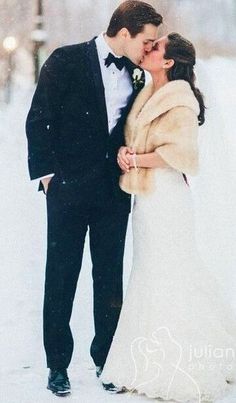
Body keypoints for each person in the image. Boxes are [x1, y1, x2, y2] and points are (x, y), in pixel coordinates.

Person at [25, 0, 162, 397]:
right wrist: (49, 177)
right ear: (124, 33)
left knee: (109, 281)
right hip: (66, 192)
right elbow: (38, 119)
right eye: (146, 41)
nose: (149, 49)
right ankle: (57, 366)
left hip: (112, 194)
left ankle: (106, 359)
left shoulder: (139, 74)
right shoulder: (65, 60)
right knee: (61, 278)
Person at [101, 33, 236, 401]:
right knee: (147, 271)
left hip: (167, 199)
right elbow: (139, 138)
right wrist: (127, 152)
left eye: (156, 47)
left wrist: (135, 159)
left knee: (170, 271)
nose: (148, 49)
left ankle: (177, 363)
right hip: (146, 198)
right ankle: (143, 359)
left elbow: (180, 154)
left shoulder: (181, 101)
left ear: (169, 61)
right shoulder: (146, 90)